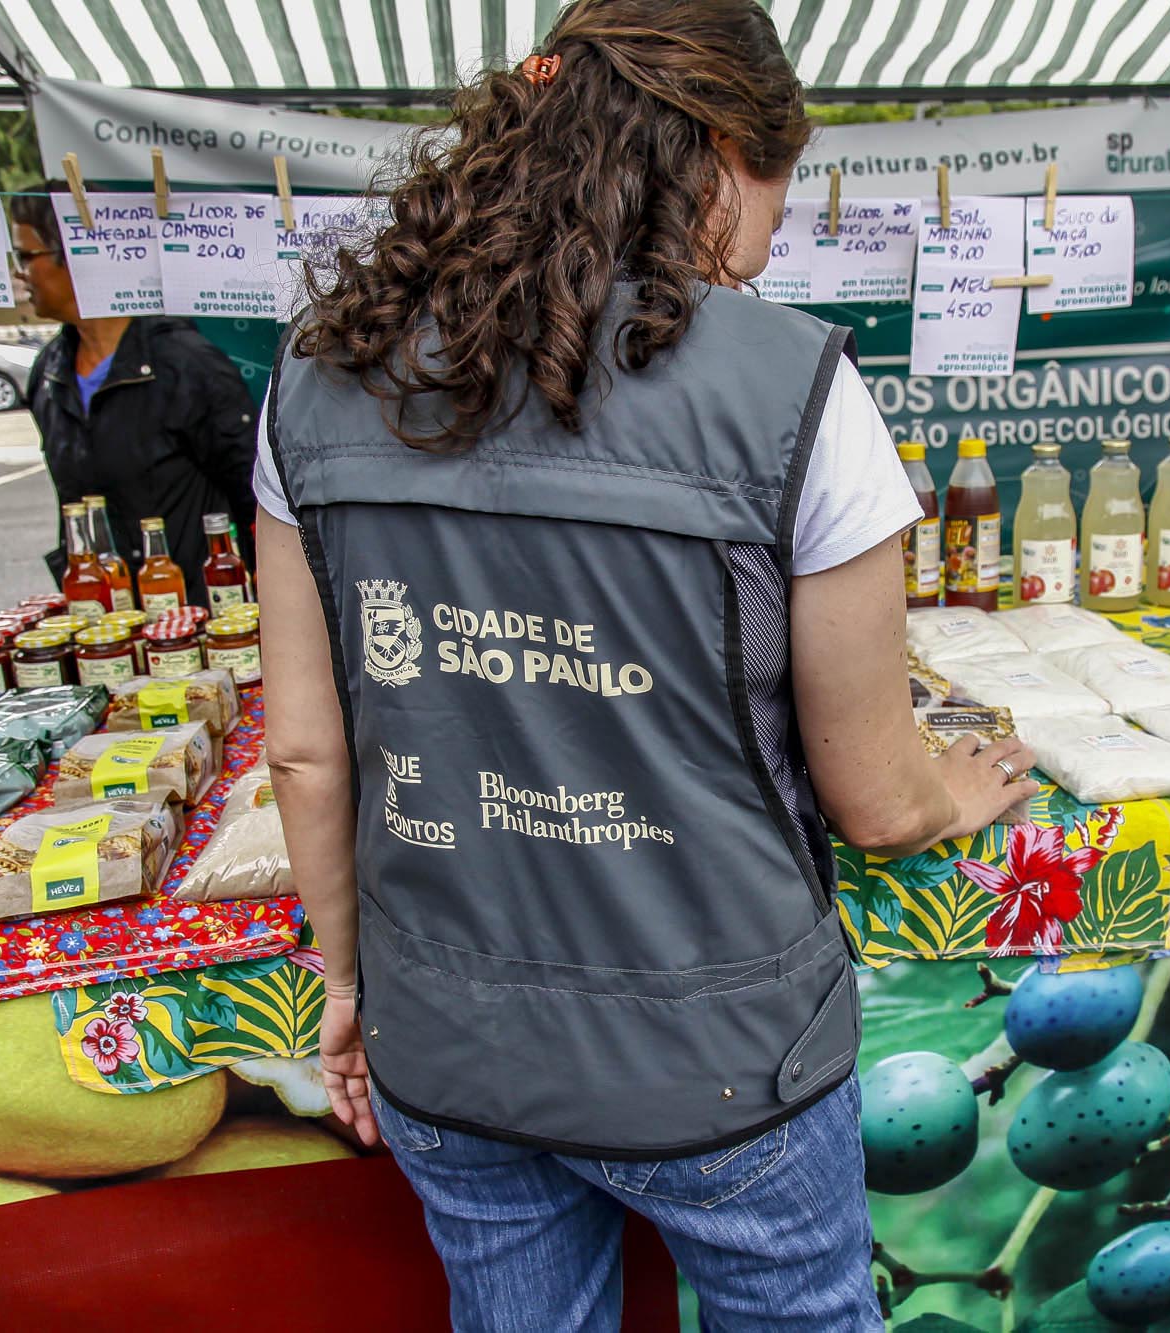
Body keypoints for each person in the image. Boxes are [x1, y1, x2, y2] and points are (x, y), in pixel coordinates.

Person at [257, 3, 1036, 1328]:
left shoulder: (320, 371)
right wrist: (950, 793)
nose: (755, 261)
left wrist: (344, 982)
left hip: (454, 1042)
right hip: (725, 1051)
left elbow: (305, 749)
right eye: (771, 211)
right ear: (724, 152)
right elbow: (877, 795)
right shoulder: (796, 387)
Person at [8, 188, 258, 603]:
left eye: (25, 257)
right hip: (106, 622)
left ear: (73, 255)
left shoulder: (186, 365)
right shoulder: (50, 372)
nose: (20, 274)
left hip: (197, 616)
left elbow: (252, 494)